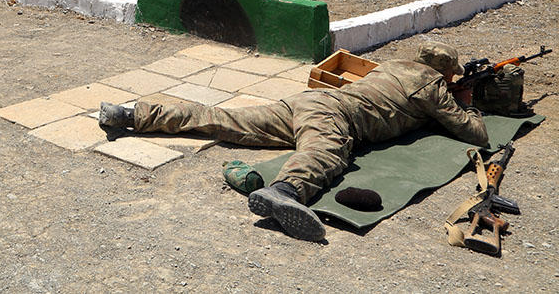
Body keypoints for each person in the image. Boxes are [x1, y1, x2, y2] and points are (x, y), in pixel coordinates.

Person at [98, 42, 489, 242]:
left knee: (223, 118)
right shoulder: (432, 86)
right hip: (336, 117)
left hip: (307, 103)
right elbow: (474, 133)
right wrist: (467, 105)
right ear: (445, 73)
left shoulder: (392, 65)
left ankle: (131, 114)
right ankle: (285, 192)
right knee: (326, 153)